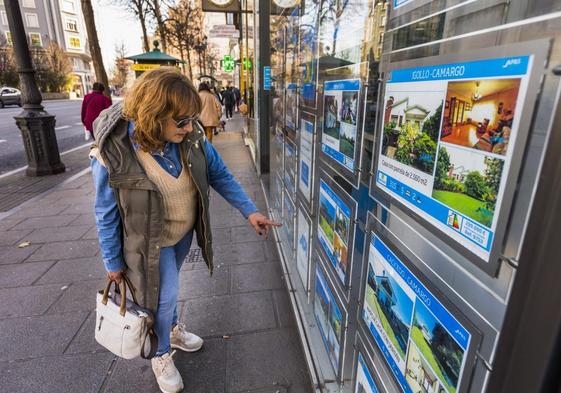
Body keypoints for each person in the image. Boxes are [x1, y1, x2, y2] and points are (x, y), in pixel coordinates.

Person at [89, 67, 280, 393]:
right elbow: (104, 213)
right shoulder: (113, 154)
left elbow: (219, 174)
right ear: (152, 115)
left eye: (191, 118)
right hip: (149, 243)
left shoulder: (190, 139)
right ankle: (160, 354)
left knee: (168, 292)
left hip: (181, 234)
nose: (190, 126)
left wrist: (250, 211)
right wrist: (112, 262)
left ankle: (172, 329)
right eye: (181, 121)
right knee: (164, 298)